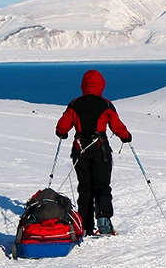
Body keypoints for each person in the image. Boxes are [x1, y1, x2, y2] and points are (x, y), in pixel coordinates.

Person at [55, 69, 132, 235]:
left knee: (85, 187)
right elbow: (117, 126)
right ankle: (104, 218)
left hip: (80, 151)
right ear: (101, 85)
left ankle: (84, 225)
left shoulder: (75, 104)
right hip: (100, 150)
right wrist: (126, 137)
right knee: (102, 186)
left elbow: (62, 127)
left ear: (83, 85)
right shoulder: (106, 104)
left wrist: (63, 133)